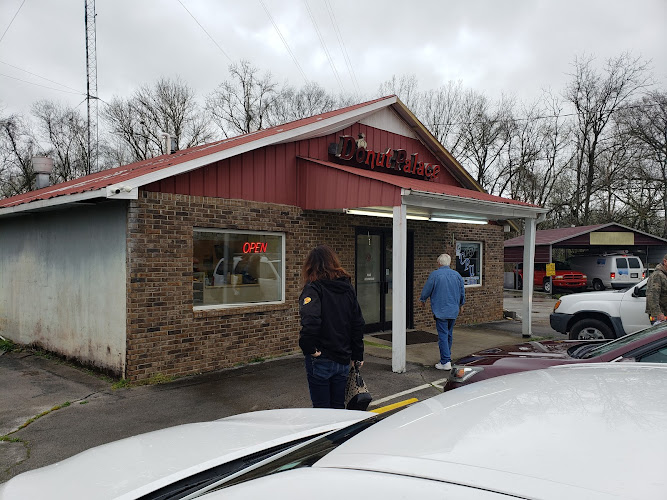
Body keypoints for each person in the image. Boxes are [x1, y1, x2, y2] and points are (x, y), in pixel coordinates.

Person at [299, 245, 365, 409]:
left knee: (322, 410)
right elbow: (357, 322)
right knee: (338, 407)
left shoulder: (313, 289)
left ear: (310, 266)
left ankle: (327, 435)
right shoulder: (347, 288)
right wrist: (358, 354)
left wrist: (309, 347)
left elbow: (311, 320)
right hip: (343, 357)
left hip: (322, 357)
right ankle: (340, 435)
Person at [420, 253, 465, 370]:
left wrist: (422, 299)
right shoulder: (457, 275)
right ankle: (447, 357)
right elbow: (462, 292)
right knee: (449, 334)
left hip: (441, 310)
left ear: (439, 263)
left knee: (443, 336)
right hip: (453, 310)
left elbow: (427, 289)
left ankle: (445, 361)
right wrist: (462, 304)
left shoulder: (435, 275)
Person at [646, 254, 667, 324]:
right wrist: (658, 314)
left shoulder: (665, 275)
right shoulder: (657, 275)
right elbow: (652, 296)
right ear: (665, 262)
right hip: (661, 316)